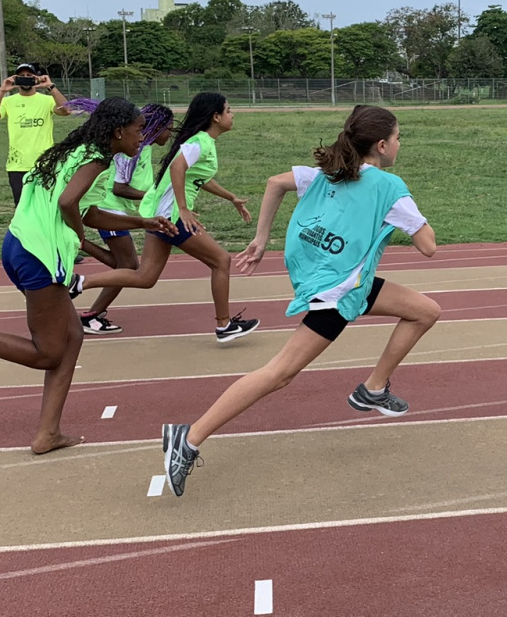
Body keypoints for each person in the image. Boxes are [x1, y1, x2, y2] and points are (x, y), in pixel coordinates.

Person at [160, 105, 441, 495]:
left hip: (337, 280)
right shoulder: (390, 188)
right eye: (398, 138)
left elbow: (275, 182)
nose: (399, 144)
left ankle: (373, 389)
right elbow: (428, 247)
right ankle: (188, 438)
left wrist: (260, 239)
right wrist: (413, 219)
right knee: (280, 373)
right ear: (381, 145)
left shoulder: (328, 171)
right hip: (336, 292)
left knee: (425, 311)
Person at [0, 97, 172, 454]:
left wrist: (143, 221)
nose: (142, 137)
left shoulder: (74, 152)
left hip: (19, 245)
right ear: (118, 132)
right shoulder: (97, 159)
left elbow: (86, 210)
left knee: (72, 338)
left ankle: (48, 434)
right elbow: (69, 204)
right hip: (38, 257)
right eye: (137, 131)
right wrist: (79, 236)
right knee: (47, 354)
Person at [81, 92, 260, 343]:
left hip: (161, 215)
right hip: (172, 216)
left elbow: (199, 177)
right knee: (221, 260)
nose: (233, 115)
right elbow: (178, 167)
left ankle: (79, 283)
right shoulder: (200, 142)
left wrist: (231, 197)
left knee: (145, 277)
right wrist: (184, 208)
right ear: (216, 117)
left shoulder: (202, 142)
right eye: (229, 110)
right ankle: (224, 325)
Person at [63, 101, 175, 335]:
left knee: (123, 265)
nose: (170, 134)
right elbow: (118, 187)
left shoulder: (141, 147)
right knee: (129, 266)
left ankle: (80, 251)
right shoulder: (130, 151)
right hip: (109, 207)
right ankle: (90, 312)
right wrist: (153, 197)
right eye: (168, 128)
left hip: (115, 209)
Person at [0, 63, 71, 205]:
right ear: (16, 79)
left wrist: (50, 87)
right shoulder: (8, 102)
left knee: (45, 206)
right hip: (17, 165)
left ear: (36, 78)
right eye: (22, 76)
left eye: (29, 76)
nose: (25, 78)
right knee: (22, 207)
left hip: (44, 164)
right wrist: (2, 90)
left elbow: (66, 110)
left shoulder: (47, 100)